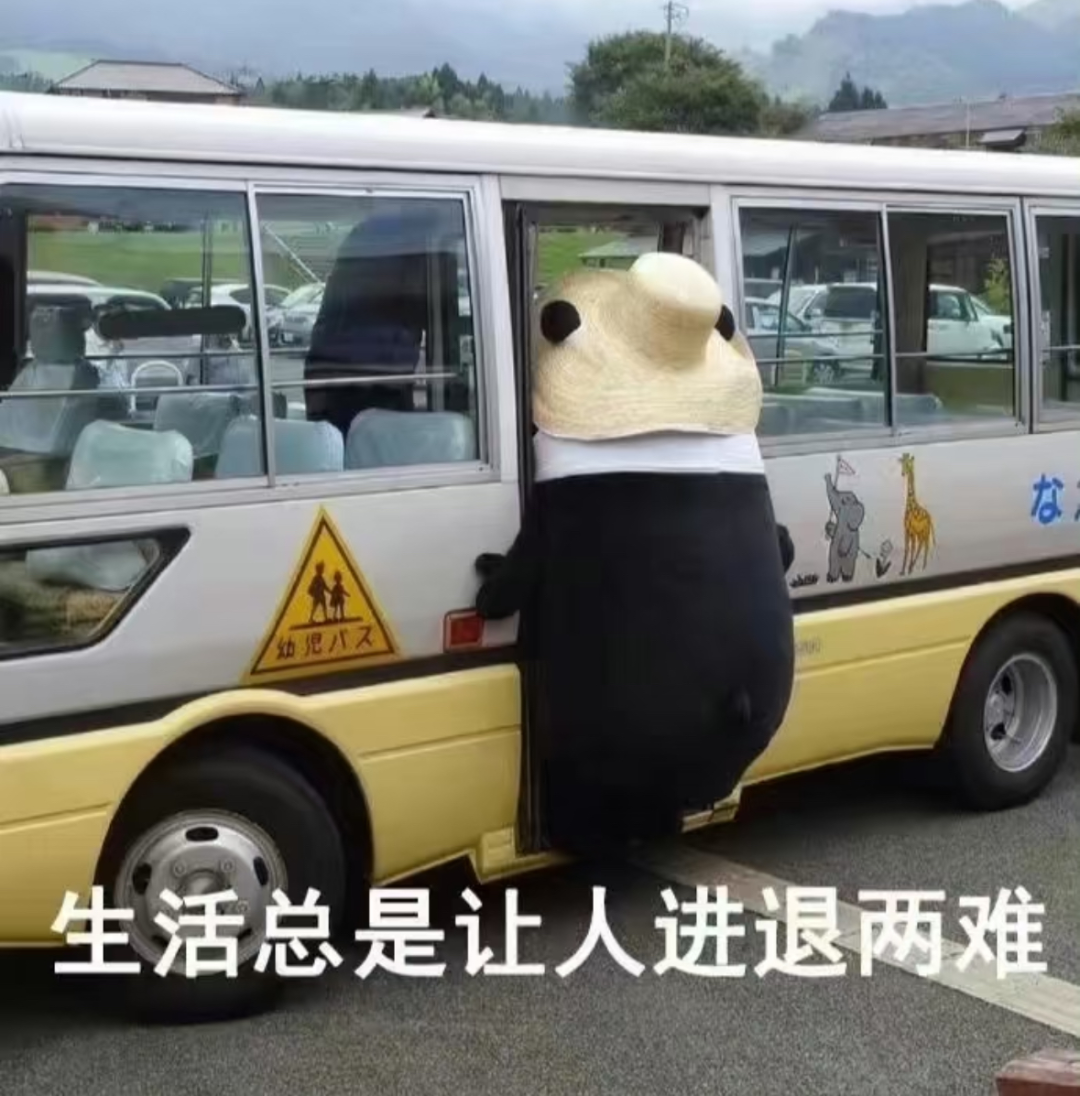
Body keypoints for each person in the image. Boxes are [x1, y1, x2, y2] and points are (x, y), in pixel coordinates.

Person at [474, 251, 796, 859]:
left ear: (565, 334)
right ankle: (660, 812)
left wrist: (494, 588)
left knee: (611, 740)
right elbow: (778, 547)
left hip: (631, 719)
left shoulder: (574, 470)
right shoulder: (737, 454)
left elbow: (518, 580)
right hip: (756, 702)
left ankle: (597, 828)